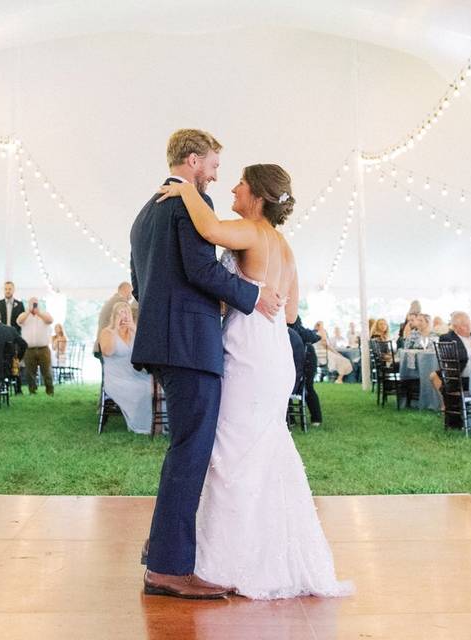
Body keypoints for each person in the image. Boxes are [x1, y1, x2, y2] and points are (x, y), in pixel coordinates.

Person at [154, 149, 351, 599]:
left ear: (258, 196)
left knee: (231, 452)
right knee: (260, 448)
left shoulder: (251, 231)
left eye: (240, 184)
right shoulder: (284, 246)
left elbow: (208, 229)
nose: (233, 189)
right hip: (274, 349)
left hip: (248, 352)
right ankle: (267, 553)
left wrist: (186, 189)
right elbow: (290, 312)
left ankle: (227, 561)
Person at [131, 129, 283, 600]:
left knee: (186, 447)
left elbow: (141, 285)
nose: (217, 174)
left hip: (164, 342)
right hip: (191, 346)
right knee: (190, 452)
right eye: (215, 165)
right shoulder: (188, 204)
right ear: (194, 162)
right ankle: (168, 569)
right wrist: (253, 298)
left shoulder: (145, 212)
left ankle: (162, 550)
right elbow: (203, 270)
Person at [99, 301, 152, 434]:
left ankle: (160, 425)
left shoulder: (135, 331)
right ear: (114, 316)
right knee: (143, 389)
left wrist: (134, 329)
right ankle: (143, 426)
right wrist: (115, 329)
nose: (124, 316)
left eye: (127, 312)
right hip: (117, 379)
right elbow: (107, 351)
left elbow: (149, 351)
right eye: (121, 313)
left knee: (157, 387)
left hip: (137, 375)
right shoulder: (107, 332)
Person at [289, 315, 323, 425]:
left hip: (307, 361)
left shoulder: (297, 330)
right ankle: (290, 419)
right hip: (291, 364)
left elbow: (316, 337)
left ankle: (316, 418)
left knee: (308, 387)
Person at [17, 297, 55, 395]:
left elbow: (50, 320)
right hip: (29, 349)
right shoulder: (24, 315)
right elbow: (19, 321)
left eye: (35, 303)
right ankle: (32, 391)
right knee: (30, 372)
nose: (34, 305)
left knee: (46, 371)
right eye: (32, 304)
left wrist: (39, 313)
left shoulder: (44, 314)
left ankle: (49, 390)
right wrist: (29, 312)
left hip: (43, 348)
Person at [96, 282, 138, 352]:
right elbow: (130, 319)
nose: (131, 297)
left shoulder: (112, 300)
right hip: (107, 344)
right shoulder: (121, 301)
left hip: (101, 344)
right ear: (125, 290)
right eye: (131, 293)